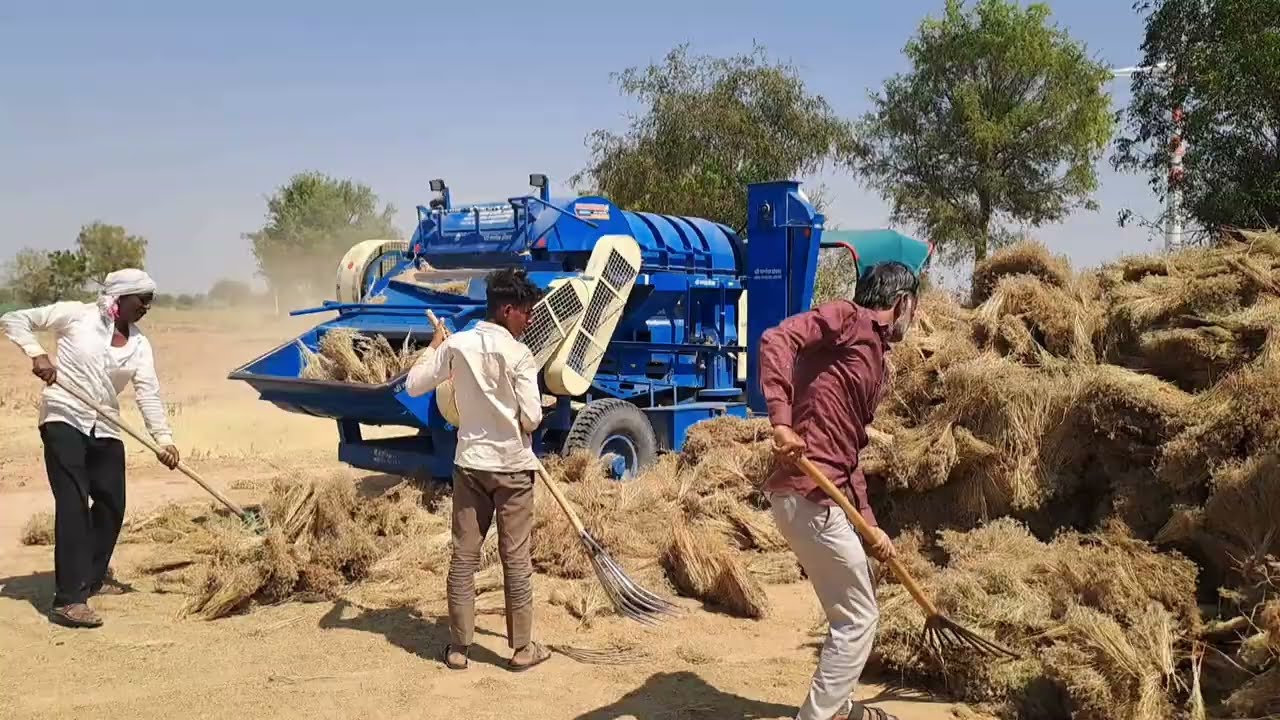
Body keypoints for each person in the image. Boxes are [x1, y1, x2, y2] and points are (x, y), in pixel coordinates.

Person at [758, 262, 920, 720]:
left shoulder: (872, 358)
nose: (916, 320)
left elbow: (848, 457)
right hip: (808, 495)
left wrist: (870, 527)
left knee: (849, 606)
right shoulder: (849, 319)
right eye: (916, 310)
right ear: (903, 303)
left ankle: (843, 707)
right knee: (859, 618)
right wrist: (782, 422)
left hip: (819, 497)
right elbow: (776, 338)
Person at [1, 269, 180, 629]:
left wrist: (163, 439)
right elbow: (13, 319)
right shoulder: (75, 315)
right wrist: (38, 354)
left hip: (106, 424)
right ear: (119, 298)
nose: (147, 306)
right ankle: (69, 599)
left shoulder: (140, 344)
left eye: (150, 300)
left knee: (113, 503)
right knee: (73, 503)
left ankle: (91, 576)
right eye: (141, 298)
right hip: (63, 415)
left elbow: (148, 392)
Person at [404, 266, 552, 672]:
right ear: (507, 310)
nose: (530, 318)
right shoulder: (521, 355)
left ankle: (458, 649)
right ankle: (522, 650)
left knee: (463, 558)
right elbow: (534, 419)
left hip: (470, 467)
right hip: (513, 472)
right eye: (526, 311)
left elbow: (415, 384)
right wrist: (521, 419)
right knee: (516, 559)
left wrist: (435, 347)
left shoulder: (458, 346)